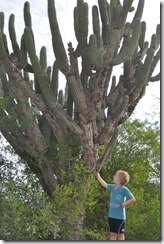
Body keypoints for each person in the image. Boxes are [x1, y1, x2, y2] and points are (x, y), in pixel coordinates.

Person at [96, 170, 136, 240]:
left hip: (119, 217)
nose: (113, 176)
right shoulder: (113, 187)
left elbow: (132, 199)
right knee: (112, 234)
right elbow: (105, 184)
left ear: (119, 179)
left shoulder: (124, 189)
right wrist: (98, 176)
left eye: (115, 175)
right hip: (111, 216)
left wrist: (124, 203)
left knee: (120, 234)